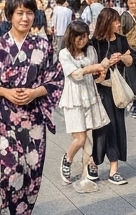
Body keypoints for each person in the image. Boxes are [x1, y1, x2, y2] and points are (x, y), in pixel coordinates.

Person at [0, 0, 64, 214]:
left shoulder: (43, 45)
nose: (24, 18)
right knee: (10, 170)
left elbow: (55, 78)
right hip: (6, 118)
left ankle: (25, 211)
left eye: (29, 13)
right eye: (19, 13)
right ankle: (8, 210)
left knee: (33, 169)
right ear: (9, 15)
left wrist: (35, 92)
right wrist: (4, 92)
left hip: (34, 119)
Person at [57, 20, 109, 194]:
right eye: (79, 38)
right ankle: (67, 159)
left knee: (89, 137)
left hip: (90, 96)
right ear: (71, 38)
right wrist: (92, 67)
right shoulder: (64, 54)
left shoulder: (91, 50)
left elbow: (95, 76)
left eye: (85, 37)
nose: (82, 41)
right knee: (79, 138)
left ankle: (85, 175)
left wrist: (101, 71)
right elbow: (75, 74)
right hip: (73, 98)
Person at [82, 7, 131, 185]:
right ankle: (93, 163)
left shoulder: (122, 40)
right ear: (107, 22)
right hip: (100, 90)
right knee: (100, 128)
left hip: (116, 90)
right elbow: (90, 69)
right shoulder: (94, 43)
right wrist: (104, 65)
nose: (119, 23)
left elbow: (130, 60)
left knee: (117, 127)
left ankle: (114, 169)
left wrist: (122, 58)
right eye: (116, 20)